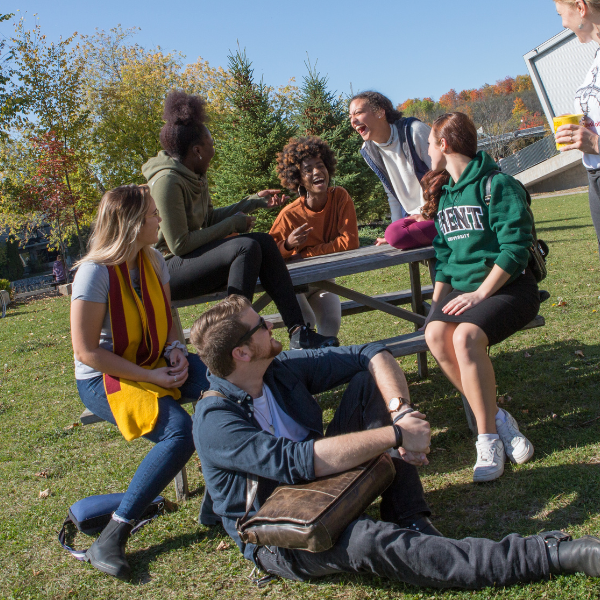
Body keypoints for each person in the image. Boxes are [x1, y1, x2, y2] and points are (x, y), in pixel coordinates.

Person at [190, 295, 600, 589]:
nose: (272, 324)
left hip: (328, 485)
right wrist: (396, 435)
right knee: (369, 541)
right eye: (261, 325)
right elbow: (298, 461)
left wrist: (399, 409)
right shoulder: (216, 419)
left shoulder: (275, 369)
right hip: (281, 531)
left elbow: (371, 352)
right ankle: (551, 553)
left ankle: (410, 516)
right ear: (242, 353)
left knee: (370, 379)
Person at [70, 184, 209, 581]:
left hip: (155, 358)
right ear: (131, 224)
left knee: (224, 380)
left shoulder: (153, 259)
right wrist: (150, 376)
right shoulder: (93, 273)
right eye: (153, 214)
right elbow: (87, 352)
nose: (160, 219)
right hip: (104, 377)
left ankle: (221, 495)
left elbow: (169, 314)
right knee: (179, 433)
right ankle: (113, 534)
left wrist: (177, 349)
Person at [142, 90, 338, 350]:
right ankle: (236, 334)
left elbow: (208, 218)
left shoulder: (194, 172)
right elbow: (179, 244)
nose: (215, 150)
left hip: (190, 259)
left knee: (265, 243)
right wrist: (233, 225)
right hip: (167, 270)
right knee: (245, 246)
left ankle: (299, 331)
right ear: (197, 150)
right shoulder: (168, 181)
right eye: (212, 144)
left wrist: (252, 201)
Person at [422, 112, 538, 482]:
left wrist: (479, 294)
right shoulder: (446, 193)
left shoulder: (497, 184)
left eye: (429, 142)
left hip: (508, 288)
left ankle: (486, 438)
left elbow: (516, 248)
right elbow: (443, 256)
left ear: (444, 144)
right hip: (463, 291)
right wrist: (435, 307)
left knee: (466, 337)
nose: (427, 149)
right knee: (435, 334)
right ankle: (500, 418)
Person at [269, 136, 360, 337]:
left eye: (320, 166)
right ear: (298, 179)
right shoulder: (289, 214)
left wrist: (306, 253)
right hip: (293, 285)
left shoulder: (340, 197)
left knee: (331, 325)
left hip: (323, 280)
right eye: (308, 170)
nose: (317, 172)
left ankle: (327, 366)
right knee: (306, 326)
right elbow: (268, 254)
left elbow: (350, 242)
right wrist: (287, 244)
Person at [348, 91, 437, 249]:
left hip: (440, 212)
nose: (353, 121)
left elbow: (443, 175)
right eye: (350, 117)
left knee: (396, 235)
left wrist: (428, 214)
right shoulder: (369, 150)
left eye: (358, 113)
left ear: (380, 112)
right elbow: (392, 192)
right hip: (414, 217)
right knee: (393, 233)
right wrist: (396, 227)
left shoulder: (414, 131)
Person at [553, 0, 600, 261]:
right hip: (594, 173)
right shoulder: (596, 58)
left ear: (581, 8)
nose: (562, 23)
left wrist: (595, 143)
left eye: (561, 14)